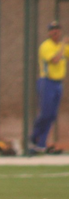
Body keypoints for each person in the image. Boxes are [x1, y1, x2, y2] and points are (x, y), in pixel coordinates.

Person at [30, 21, 68, 154]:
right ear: (49, 32)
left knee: (52, 115)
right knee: (45, 113)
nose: (55, 32)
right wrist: (63, 44)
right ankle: (34, 137)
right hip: (47, 81)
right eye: (52, 30)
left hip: (58, 83)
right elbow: (55, 59)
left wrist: (64, 45)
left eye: (57, 29)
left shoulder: (63, 47)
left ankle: (41, 143)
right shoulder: (46, 46)